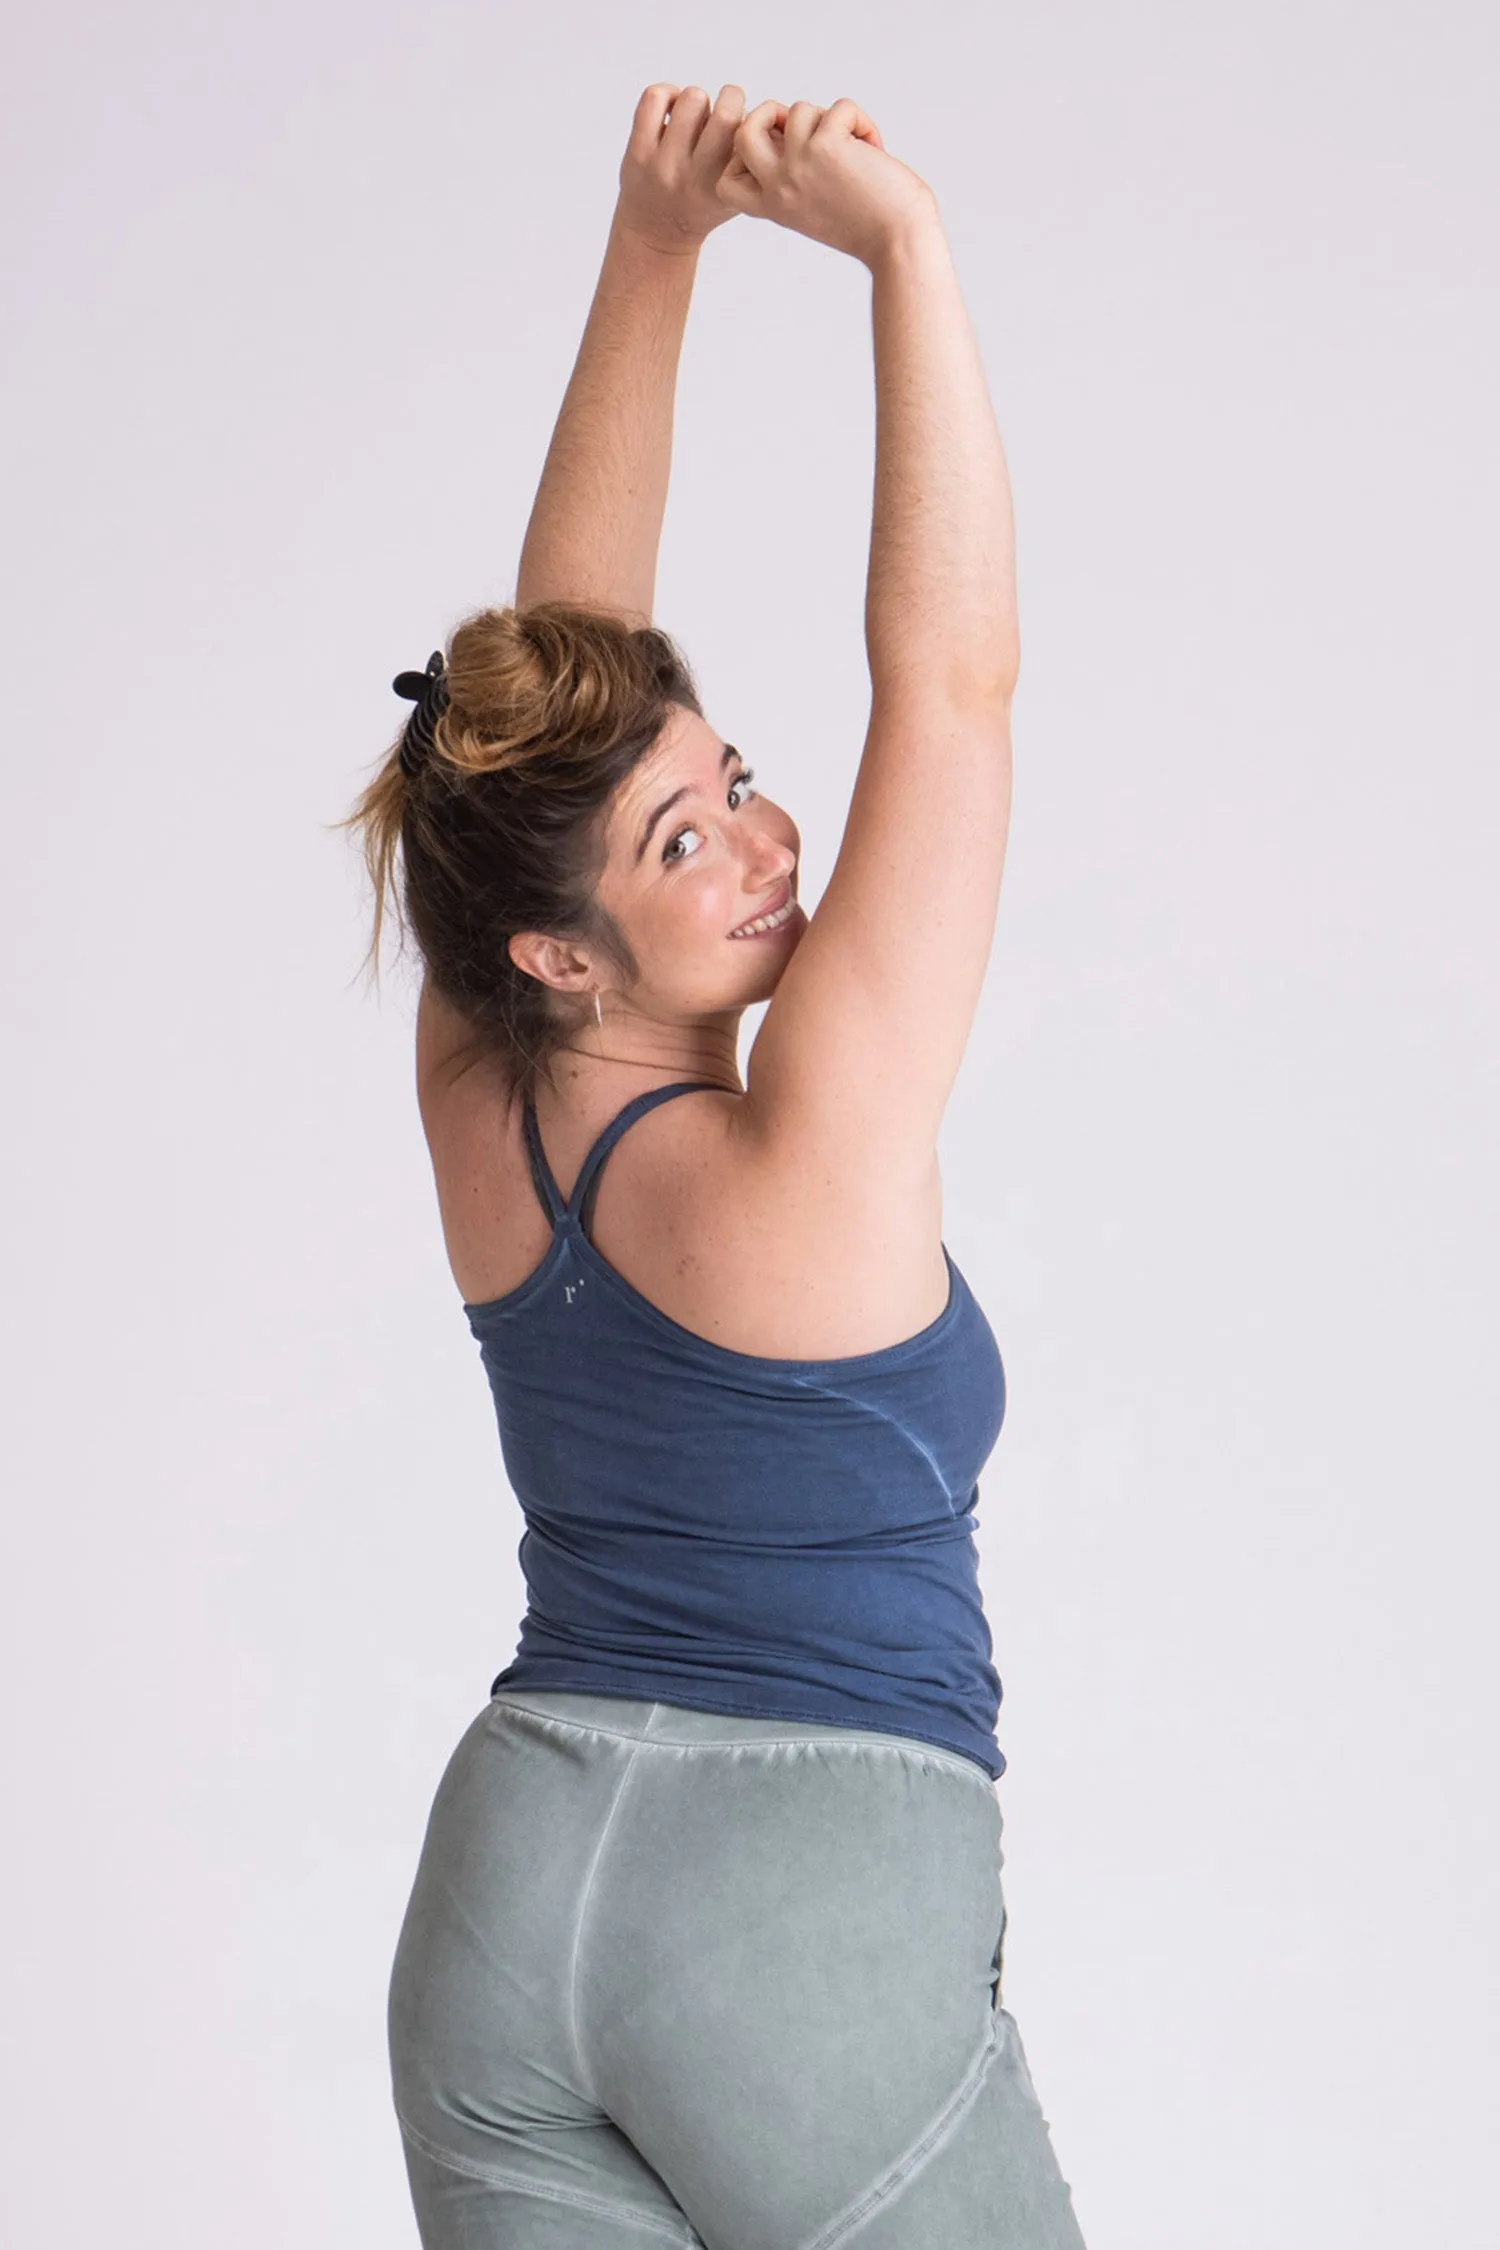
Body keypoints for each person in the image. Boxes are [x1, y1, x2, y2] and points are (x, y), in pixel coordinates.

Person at [342, 82, 1087, 2250]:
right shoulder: (806, 1163)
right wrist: (907, 256)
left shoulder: (480, 1064)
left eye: (738, 776)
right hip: (803, 1937)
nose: (768, 843)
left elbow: (554, 692)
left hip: (506, 1913)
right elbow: (951, 693)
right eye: (692, 841)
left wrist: (654, 242)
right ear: (569, 945)